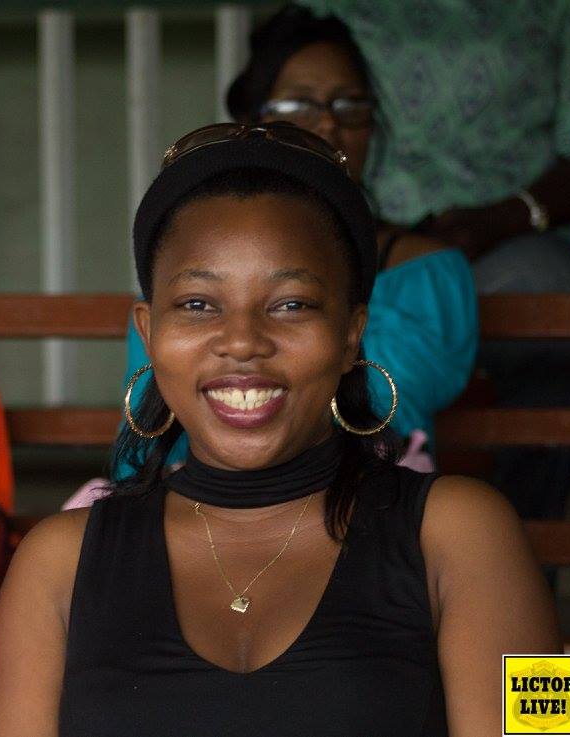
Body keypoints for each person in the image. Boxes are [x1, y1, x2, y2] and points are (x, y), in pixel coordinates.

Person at [0, 123, 558, 737]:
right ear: (149, 333)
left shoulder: (469, 531)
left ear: (351, 332)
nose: (243, 342)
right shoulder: (59, 560)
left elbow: (548, 727)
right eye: (198, 304)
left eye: (291, 304)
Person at [116, 6, 476, 482]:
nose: (327, 125)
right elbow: (151, 437)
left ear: (353, 331)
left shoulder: (430, 272)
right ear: (251, 121)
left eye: (350, 105)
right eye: (298, 106)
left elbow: (389, 401)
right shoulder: (96, 535)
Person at [295, 0, 570, 520]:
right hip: (348, 239)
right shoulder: (331, 14)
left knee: (556, 318)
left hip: (492, 244)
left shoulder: (554, 10)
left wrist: (495, 222)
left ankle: (507, 554)